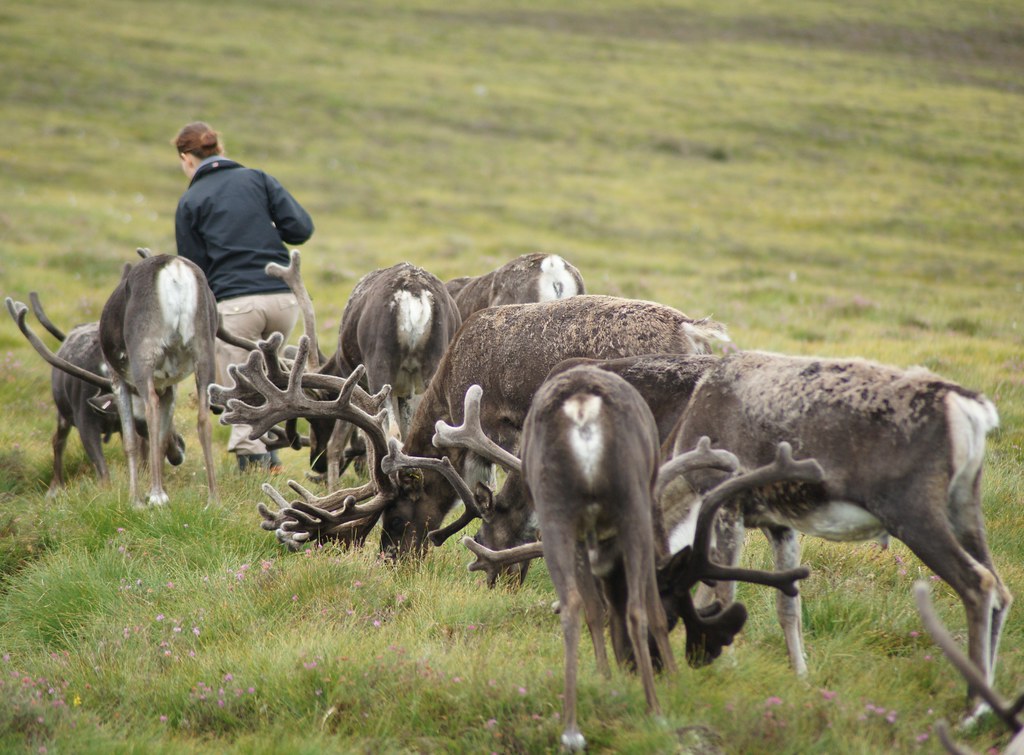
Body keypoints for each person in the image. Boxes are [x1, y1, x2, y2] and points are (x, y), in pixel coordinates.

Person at [172, 121, 314, 472]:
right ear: (219, 149)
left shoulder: (190, 200)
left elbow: (195, 273)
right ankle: (274, 461)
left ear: (186, 158)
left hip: (237, 308)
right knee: (266, 383)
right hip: (283, 302)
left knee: (239, 391)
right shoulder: (259, 179)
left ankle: (254, 477)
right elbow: (301, 229)